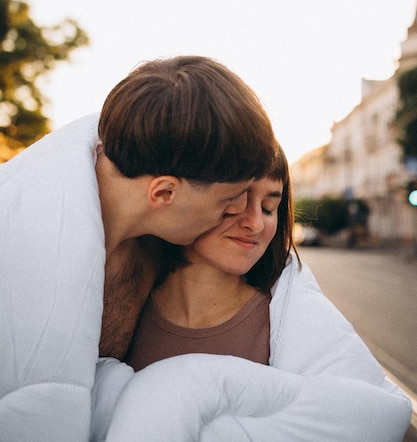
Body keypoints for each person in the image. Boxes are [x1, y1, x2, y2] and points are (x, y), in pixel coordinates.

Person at [0, 55, 277, 442]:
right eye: (229, 198)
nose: (236, 211)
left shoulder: (163, 239)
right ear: (163, 192)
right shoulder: (13, 249)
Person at [98, 141, 411, 441]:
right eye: (237, 199)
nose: (256, 223)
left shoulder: (282, 324)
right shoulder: (117, 312)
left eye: (269, 207)